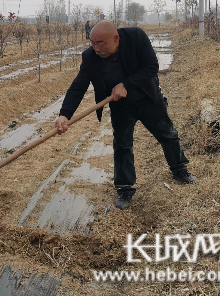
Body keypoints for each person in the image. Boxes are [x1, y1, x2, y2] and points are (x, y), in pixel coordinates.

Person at [54, 21, 195, 210]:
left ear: (116, 38)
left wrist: (126, 84)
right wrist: (64, 114)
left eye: (101, 43)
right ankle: (125, 189)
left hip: (148, 99)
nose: (96, 48)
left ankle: (180, 170)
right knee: (122, 145)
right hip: (120, 106)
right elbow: (79, 85)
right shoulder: (90, 57)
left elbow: (151, 66)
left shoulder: (136, 37)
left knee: (167, 134)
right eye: (92, 43)